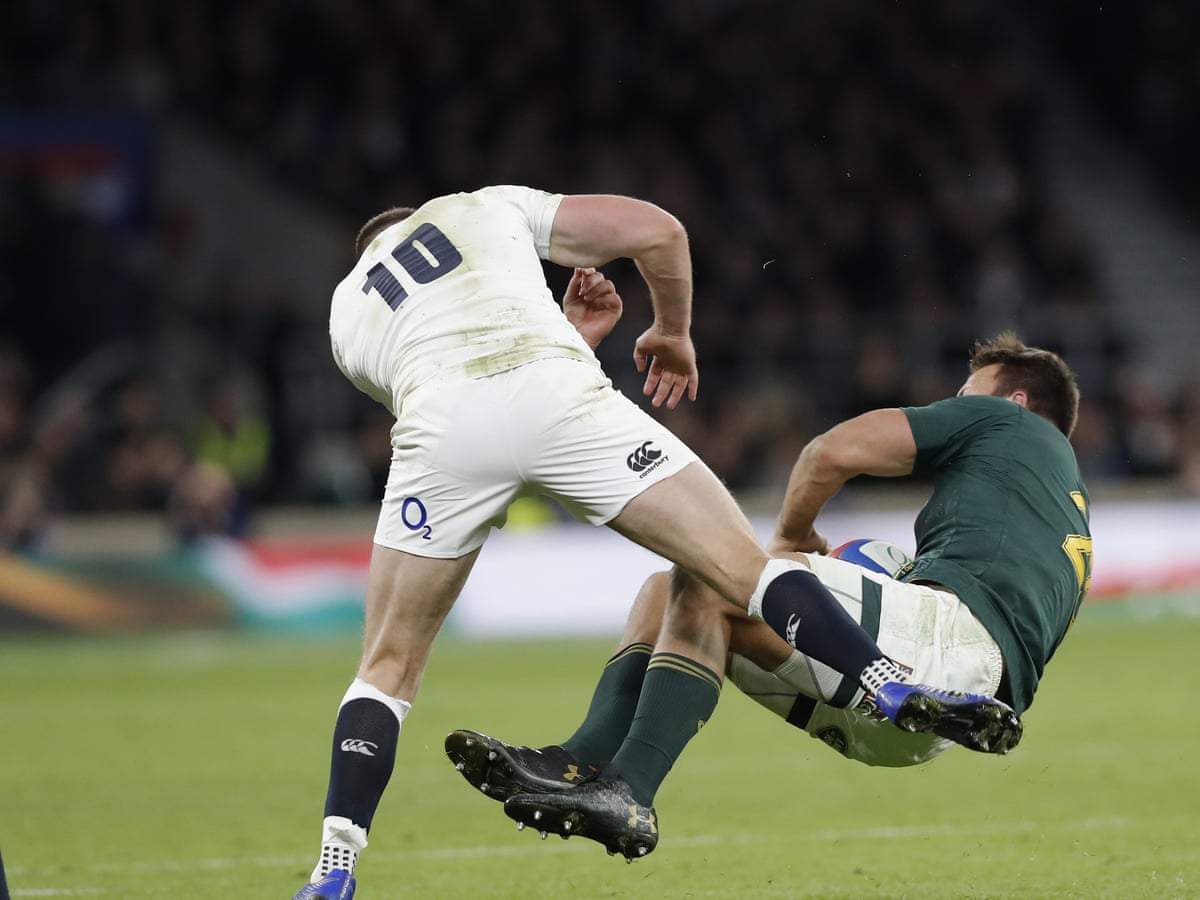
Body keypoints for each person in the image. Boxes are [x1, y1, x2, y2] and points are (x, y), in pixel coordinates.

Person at [292, 187, 1016, 898]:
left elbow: (467, 391)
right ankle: (888, 682)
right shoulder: (481, 205)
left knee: (385, 669)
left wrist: (565, 342)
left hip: (442, 429)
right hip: (552, 390)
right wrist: (669, 329)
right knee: (742, 569)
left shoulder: (346, 314)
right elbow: (660, 231)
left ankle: (333, 870)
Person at [448, 332, 1091, 845]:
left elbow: (828, 453)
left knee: (716, 571)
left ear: (1014, 404)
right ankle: (582, 767)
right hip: (920, 730)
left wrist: (789, 540)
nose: (956, 404)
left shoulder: (1008, 426)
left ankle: (626, 787)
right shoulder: (1063, 519)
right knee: (667, 591)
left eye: (968, 395)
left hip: (936, 651)